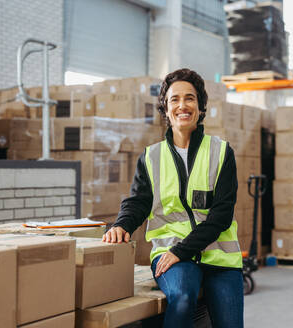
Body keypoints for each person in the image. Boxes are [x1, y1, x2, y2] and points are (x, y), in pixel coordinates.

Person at [102, 68, 243, 328]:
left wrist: (182, 250)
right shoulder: (152, 157)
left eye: (190, 98)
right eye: (174, 99)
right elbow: (138, 201)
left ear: (201, 108)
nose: (182, 105)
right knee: (182, 297)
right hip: (172, 254)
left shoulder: (221, 152)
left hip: (219, 257)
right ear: (165, 109)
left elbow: (221, 216)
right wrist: (122, 225)